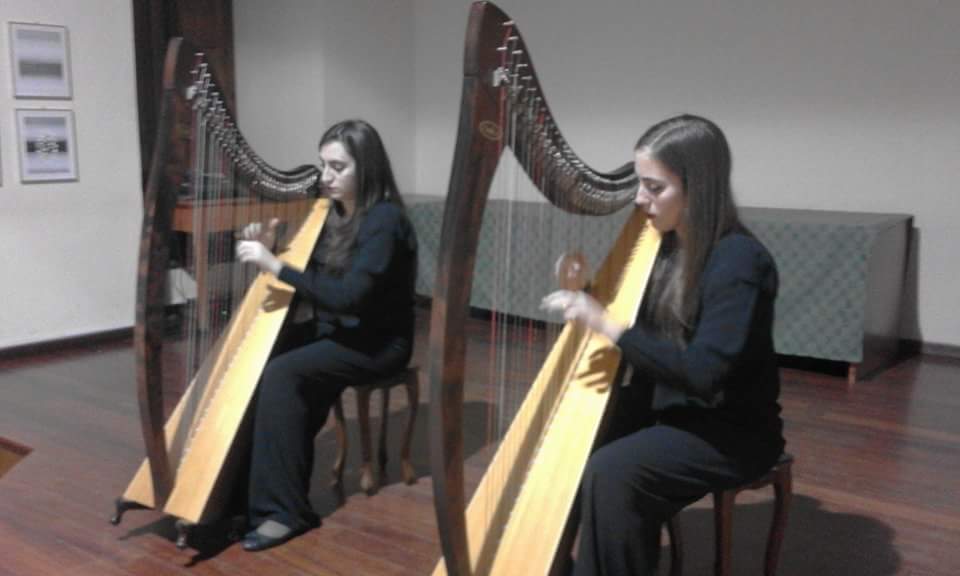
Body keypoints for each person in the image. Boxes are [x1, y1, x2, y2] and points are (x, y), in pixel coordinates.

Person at [541, 114, 785, 575]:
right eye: (640, 185)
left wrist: (608, 326)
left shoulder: (739, 262)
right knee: (571, 448)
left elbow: (703, 373)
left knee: (614, 471)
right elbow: (646, 325)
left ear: (699, 188)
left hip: (731, 428)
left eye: (655, 188)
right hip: (673, 406)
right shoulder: (667, 247)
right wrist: (589, 292)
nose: (639, 199)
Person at [235, 119, 418, 552]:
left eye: (338, 167)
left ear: (367, 168)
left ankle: (285, 512)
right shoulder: (330, 213)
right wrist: (274, 247)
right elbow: (316, 278)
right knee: (260, 359)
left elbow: (350, 297)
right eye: (323, 165)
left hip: (378, 344)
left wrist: (275, 265)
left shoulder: (385, 220)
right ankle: (240, 492)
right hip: (338, 332)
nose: (326, 177)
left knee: (284, 374)